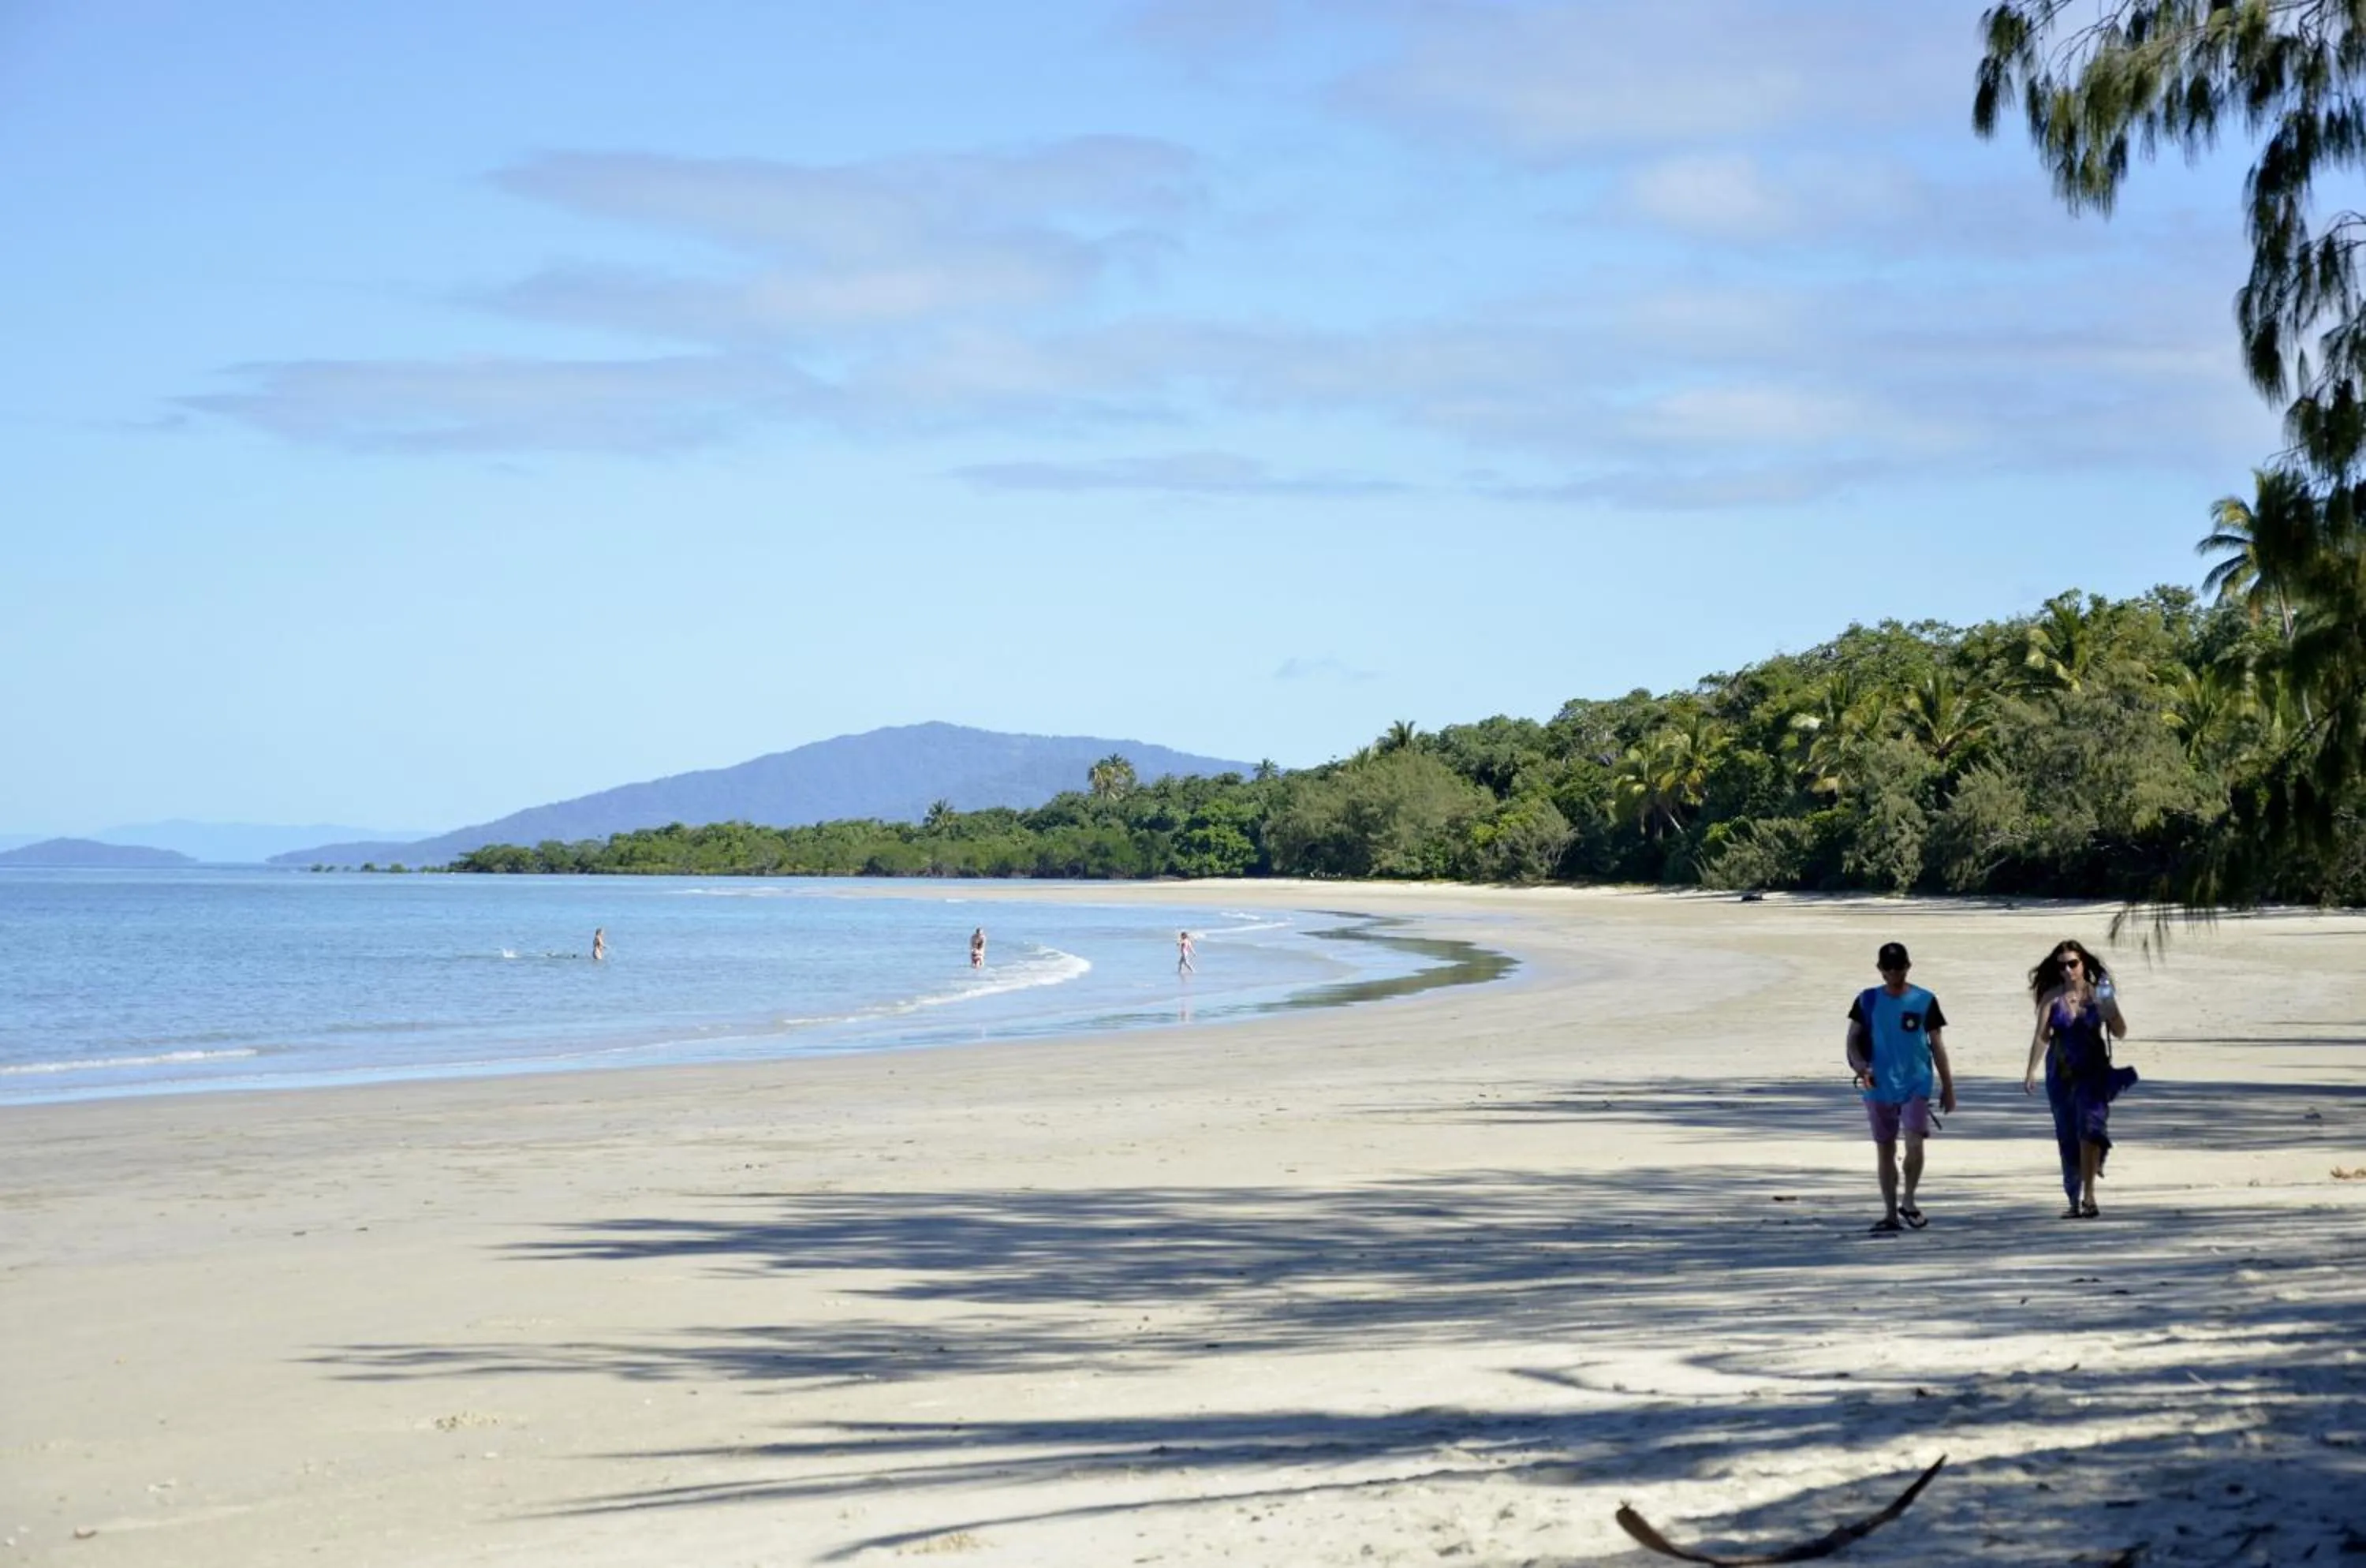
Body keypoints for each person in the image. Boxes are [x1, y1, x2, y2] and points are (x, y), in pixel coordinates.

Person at [1845, 941, 1956, 1234]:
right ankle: (1891, 1213)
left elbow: (1937, 1044)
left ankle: (1909, 1200)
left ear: (1908, 966)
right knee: (1885, 1149)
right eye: (1888, 968)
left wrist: (1948, 1086)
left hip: (1916, 1081)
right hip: (1878, 1083)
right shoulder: (1866, 1000)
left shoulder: (1925, 999)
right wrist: (1859, 1066)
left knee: (1915, 1143)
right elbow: (1853, 1039)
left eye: (1899, 967)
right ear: (1880, 969)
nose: (1894, 973)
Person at [2024, 939, 2134, 1219]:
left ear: (2083, 963)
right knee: (2067, 1135)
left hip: (2092, 1071)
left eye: (2073, 963)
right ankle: (2073, 1198)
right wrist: (2030, 1070)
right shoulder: (2051, 997)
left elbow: (2120, 1031)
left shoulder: (2099, 995)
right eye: (2062, 965)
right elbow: (2041, 1037)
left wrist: (2110, 1006)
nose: (2068, 970)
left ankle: (2089, 1197)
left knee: (2090, 1130)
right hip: (2060, 1074)